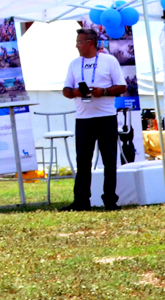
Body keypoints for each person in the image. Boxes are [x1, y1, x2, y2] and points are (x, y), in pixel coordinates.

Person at [60, 28, 126, 211]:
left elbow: (122, 86)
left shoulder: (109, 61)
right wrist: (76, 92)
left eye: (79, 42)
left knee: (109, 160)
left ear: (90, 42)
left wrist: (102, 91)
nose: (77, 46)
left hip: (105, 117)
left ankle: (110, 201)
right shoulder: (74, 64)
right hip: (83, 119)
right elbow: (65, 90)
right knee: (83, 161)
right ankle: (81, 201)